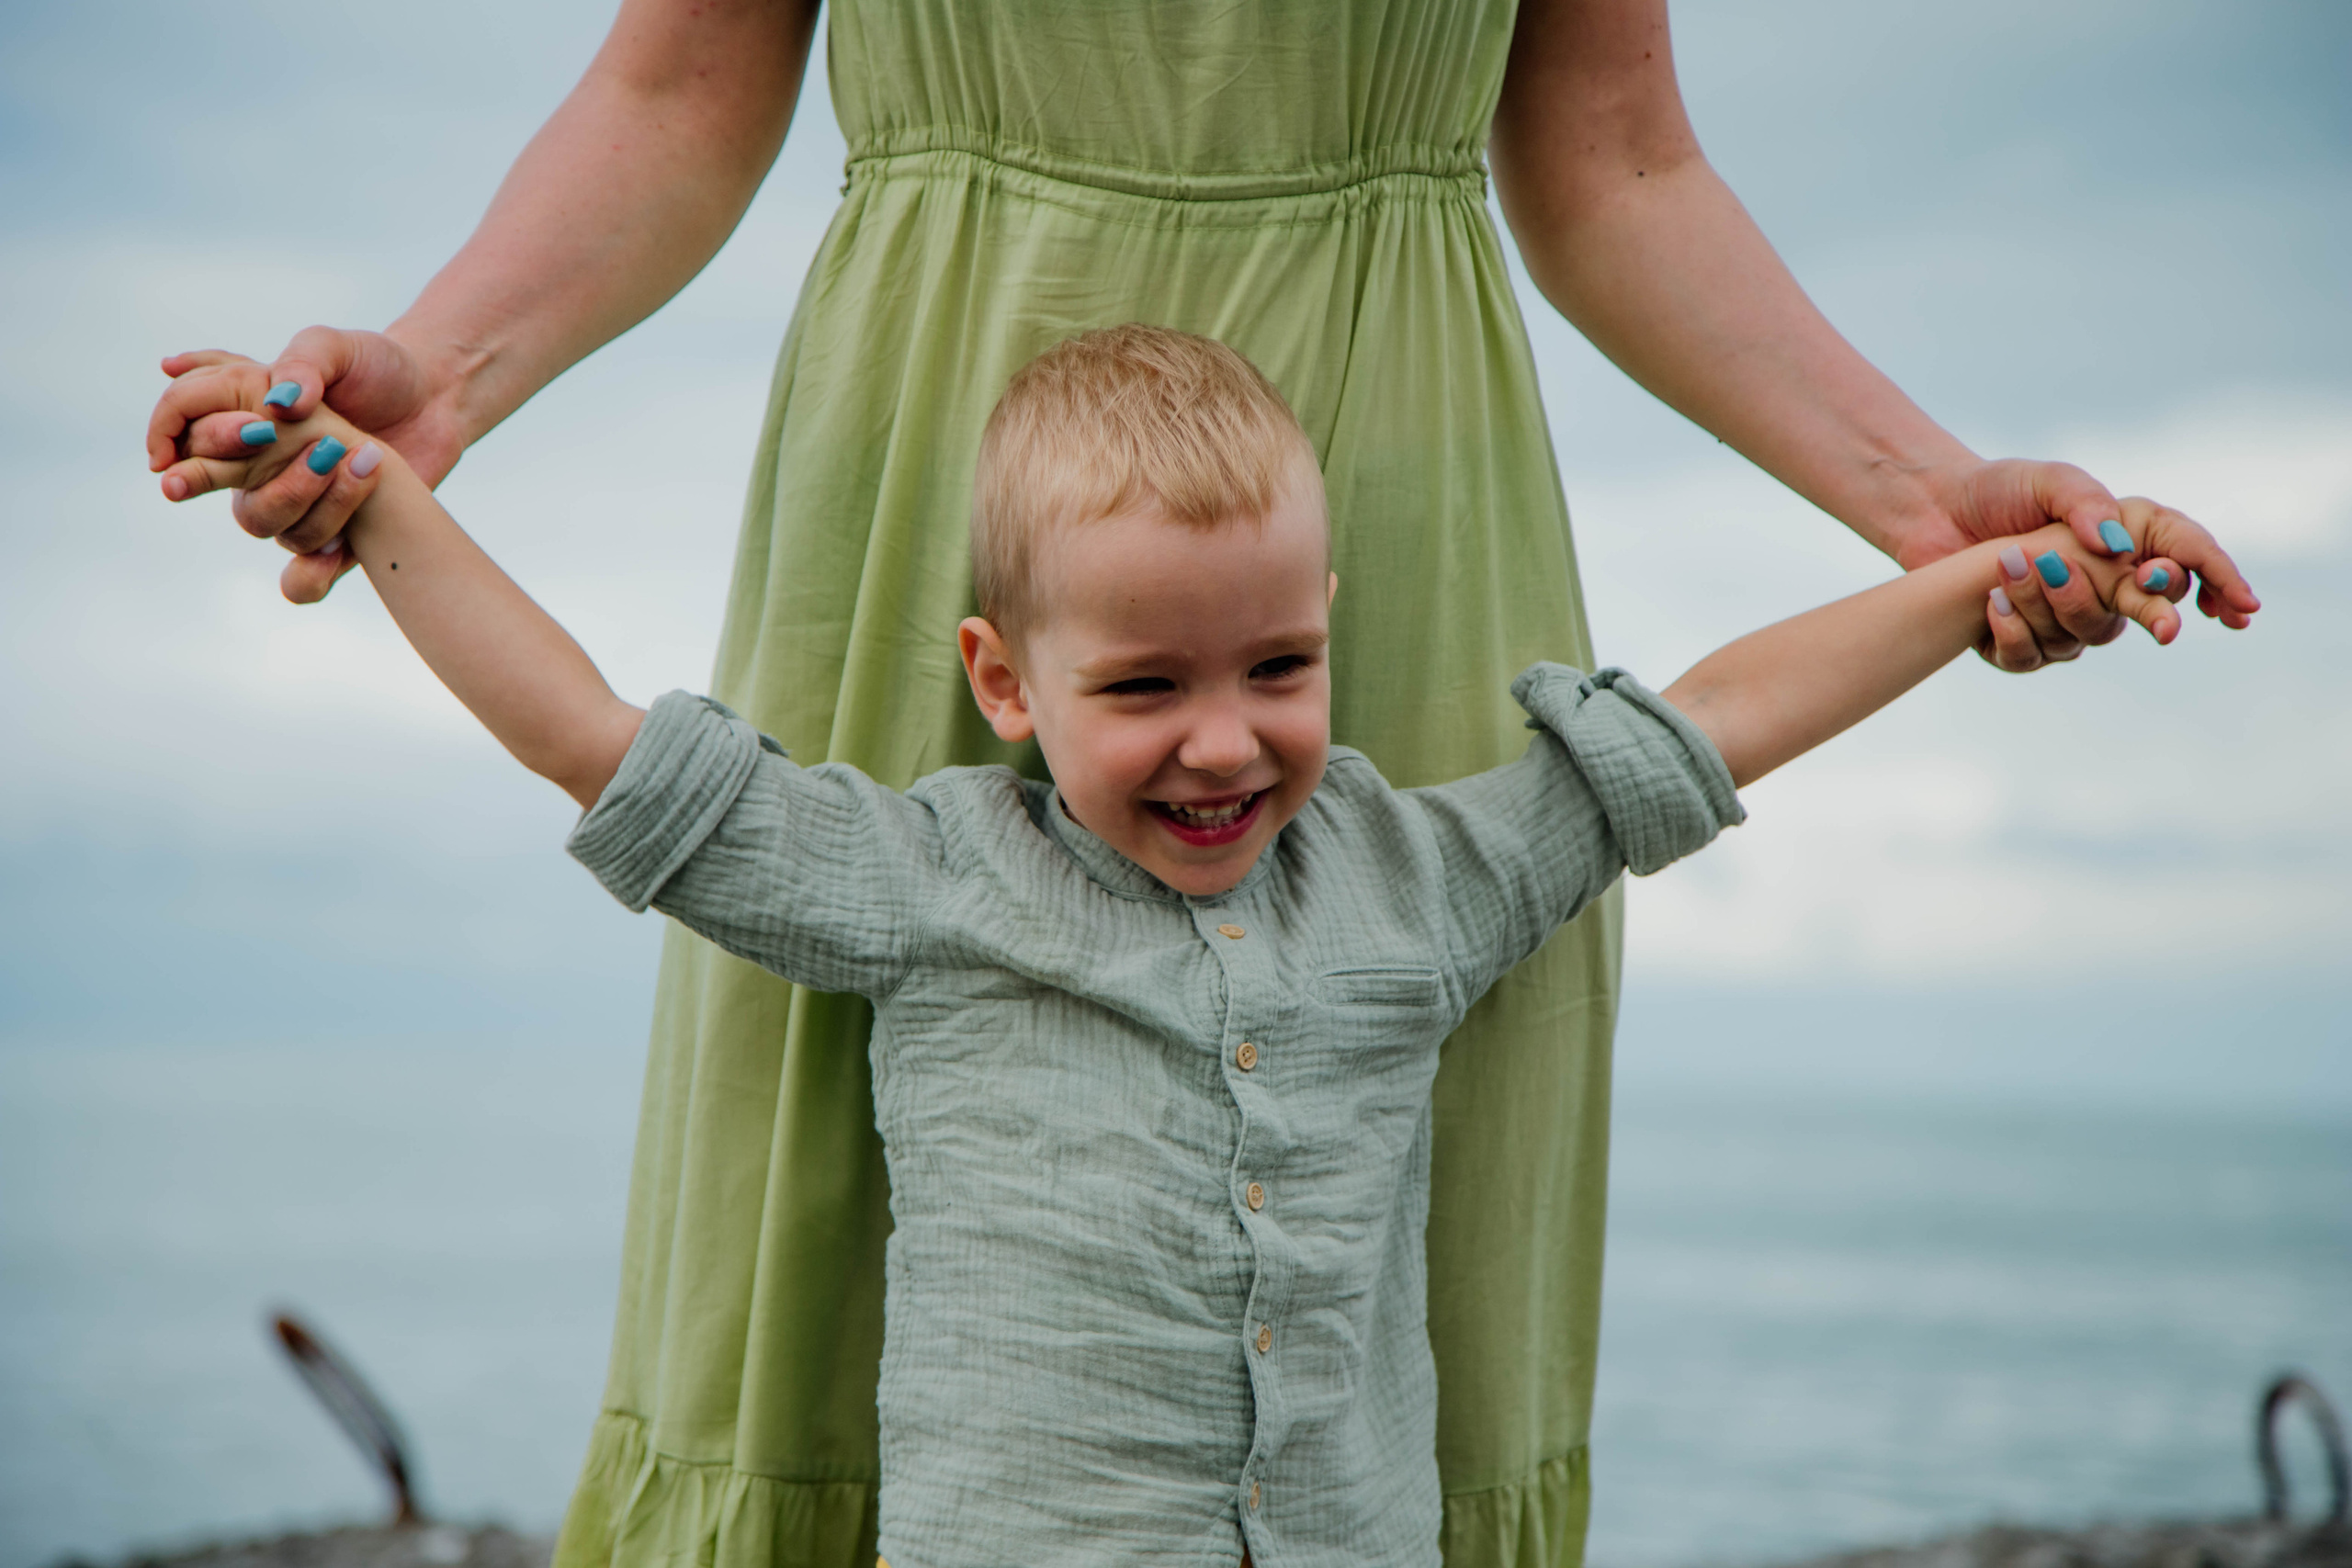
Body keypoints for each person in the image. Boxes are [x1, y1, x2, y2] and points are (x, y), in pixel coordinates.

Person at [144, 6, 2261, 1562]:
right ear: (997, 682)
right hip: (938, 426)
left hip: (1393, 443)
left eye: (1267, 682)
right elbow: (679, 86)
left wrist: (1934, 528)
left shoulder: (1417, 841)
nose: (1226, 736)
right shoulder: (931, 835)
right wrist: (424, 414)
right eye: (1166, 691)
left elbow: (1618, 163)